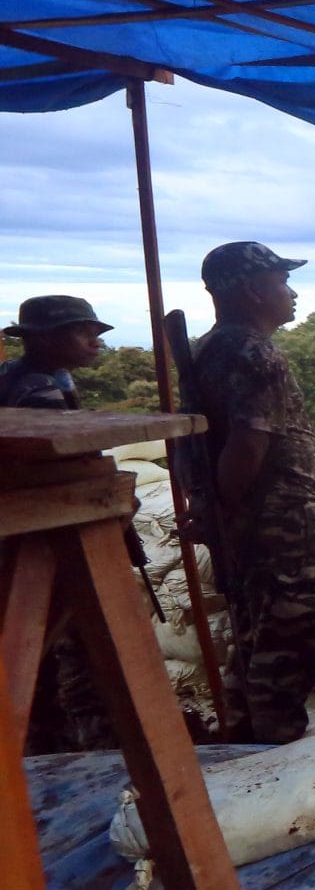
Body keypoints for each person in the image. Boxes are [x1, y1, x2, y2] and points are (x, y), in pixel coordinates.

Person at [191, 242, 315, 743]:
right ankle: (276, 744)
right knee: (291, 630)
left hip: (252, 517)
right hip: (281, 520)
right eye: (281, 282)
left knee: (255, 631)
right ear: (253, 290)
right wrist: (228, 510)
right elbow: (249, 443)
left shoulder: (209, 348)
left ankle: (245, 734)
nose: (291, 293)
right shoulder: (255, 352)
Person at [2, 295, 117, 750]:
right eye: (81, 332)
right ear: (45, 340)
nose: (94, 341)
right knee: (59, 643)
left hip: (30, 530)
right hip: (45, 535)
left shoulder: (38, 378)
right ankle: (58, 744)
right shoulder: (38, 393)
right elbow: (59, 466)